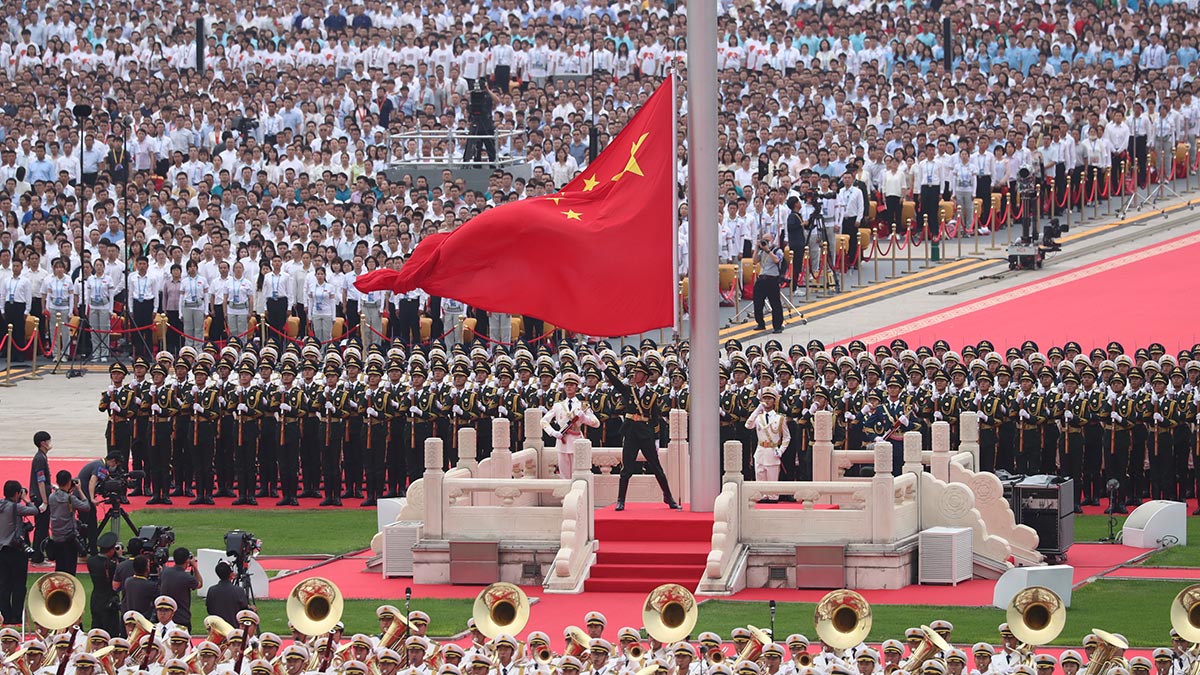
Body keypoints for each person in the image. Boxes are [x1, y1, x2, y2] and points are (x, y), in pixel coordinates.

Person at [605, 361, 680, 512]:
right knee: (626, 468)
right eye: (634, 373)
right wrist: (604, 368)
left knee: (656, 467)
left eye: (638, 373)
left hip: (645, 434)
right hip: (631, 433)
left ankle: (668, 496)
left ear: (645, 377)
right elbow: (615, 382)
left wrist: (657, 439)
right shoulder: (628, 391)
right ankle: (620, 500)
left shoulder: (652, 396)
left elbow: (655, 418)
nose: (635, 375)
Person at [540, 372, 599, 478]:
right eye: (567, 385)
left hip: (577, 441)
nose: (569, 387)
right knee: (564, 475)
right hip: (562, 441)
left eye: (572, 385)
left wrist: (584, 419)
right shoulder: (558, 405)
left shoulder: (582, 405)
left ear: (576, 387)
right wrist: (553, 433)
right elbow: (543, 421)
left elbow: (596, 423)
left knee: (578, 473)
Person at [0, 480, 39, 621]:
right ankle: (17, 617)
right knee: (18, 586)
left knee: (4, 585)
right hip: (16, 551)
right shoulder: (16, 508)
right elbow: (35, 510)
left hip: (1, 551)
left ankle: (5, 616)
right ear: (16, 493)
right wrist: (25, 499)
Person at [46, 469, 90, 573]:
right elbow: (86, 506)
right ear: (69, 482)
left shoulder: (51, 497)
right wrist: (79, 490)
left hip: (57, 538)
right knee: (70, 570)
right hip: (69, 538)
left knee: (60, 568)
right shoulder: (70, 499)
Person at [158, 548, 203, 632]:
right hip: (182, 618)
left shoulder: (165, 572)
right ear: (187, 560)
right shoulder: (187, 578)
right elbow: (199, 583)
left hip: (166, 618)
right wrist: (195, 566)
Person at [87, 532, 123, 636]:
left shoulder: (91, 561)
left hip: (96, 600)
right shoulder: (112, 565)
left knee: (96, 634)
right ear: (111, 549)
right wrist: (119, 556)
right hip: (109, 603)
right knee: (111, 634)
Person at [751, 234, 785, 333]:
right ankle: (760, 323)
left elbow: (777, 260)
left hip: (772, 279)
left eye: (767, 241)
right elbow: (754, 261)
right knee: (757, 302)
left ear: (772, 240)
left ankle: (777, 326)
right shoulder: (762, 252)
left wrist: (768, 250)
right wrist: (757, 249)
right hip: (762, 278)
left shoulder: (777, 250)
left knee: (775, 303)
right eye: (763, 240)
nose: (765, 243)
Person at [29, 431, 53, 561]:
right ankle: (38, 557)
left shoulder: (42, 457)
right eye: (48, 441)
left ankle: (40, 554)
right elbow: (40, 480)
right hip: (40, 498)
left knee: (43, 527)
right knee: (41, 528)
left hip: (42, 496)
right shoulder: (39, 458)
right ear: (43, 443)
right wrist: (45, 501)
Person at [205, 561, 251, 625]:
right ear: (230, 574)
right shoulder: (238, 590)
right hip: (234, 629)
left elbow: (209, 609)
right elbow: (244, 610)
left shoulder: (211, 590)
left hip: (217, 628)